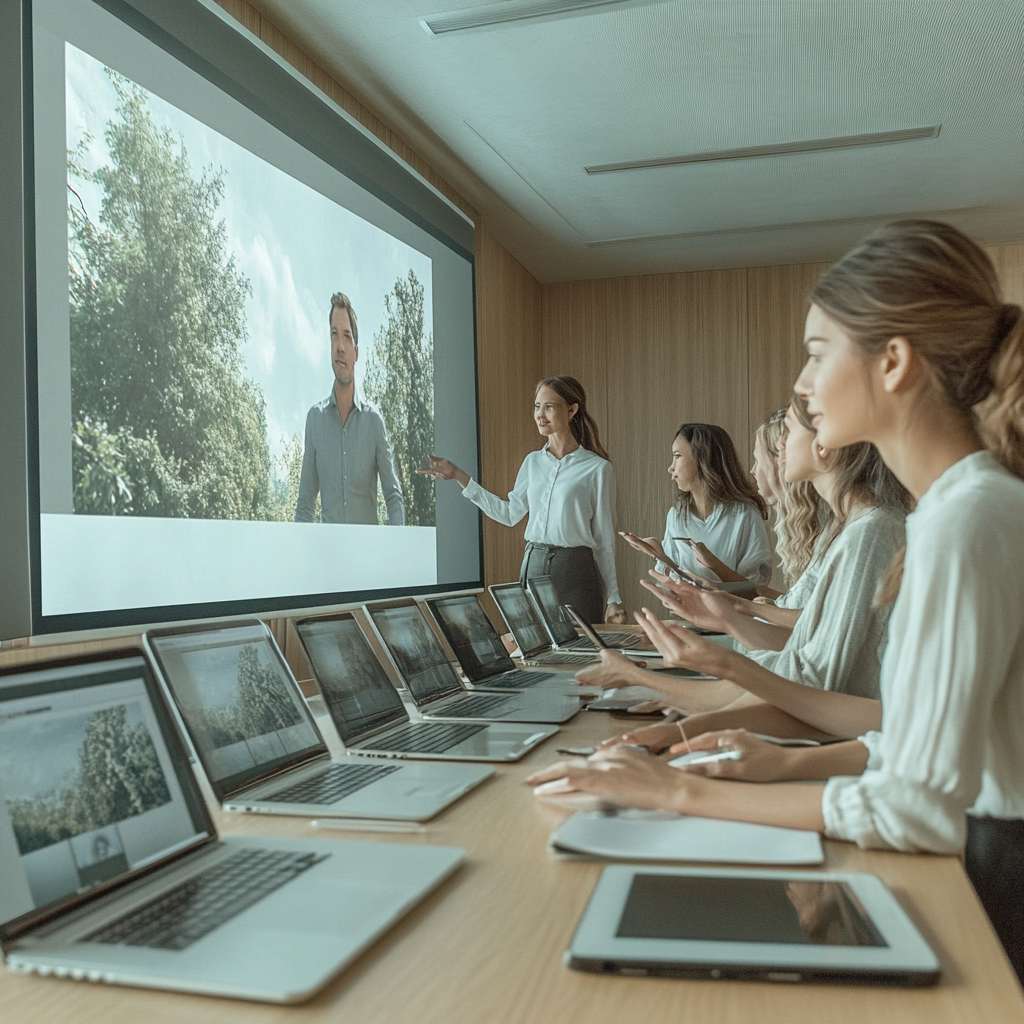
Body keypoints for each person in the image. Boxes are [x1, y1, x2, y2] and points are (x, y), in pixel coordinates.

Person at [528, 220, 1024, 980]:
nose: (800, 383)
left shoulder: (964, 519)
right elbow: (912, 744)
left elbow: (915, 807)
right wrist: (763, 762)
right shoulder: (959, 510)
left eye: (818, 354)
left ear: (893, 363)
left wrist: (676, 791)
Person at [419, 376, 623, 625]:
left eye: (549, 406)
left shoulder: (597, 468)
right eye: (537, 406)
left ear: (572, 410)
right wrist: (459, 476)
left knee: (581, 651)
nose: (540, 414)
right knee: (536, 649)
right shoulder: (532, 462)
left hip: (576, 570)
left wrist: (613, 597)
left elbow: (604, 538)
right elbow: (509, 514)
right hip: (533, 565)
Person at [295, 292, 405, 525]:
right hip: (327, 558)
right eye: (334, 335)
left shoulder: (374, 421)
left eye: (346, 336)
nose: (340, 347)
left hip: (369, 558)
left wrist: (396, 554)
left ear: (356, 352)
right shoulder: (315, 420)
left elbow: (394, 499)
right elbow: (305, 506)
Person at [621, 423, 772, 591]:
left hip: (736, 616)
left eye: (677, 456)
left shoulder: (745, 514)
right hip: (689, 616)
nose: (670, 467)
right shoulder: (676, 516)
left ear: (703, 458)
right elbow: (671, 589)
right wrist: (660, 556)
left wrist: (714, 566)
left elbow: (757, 589)